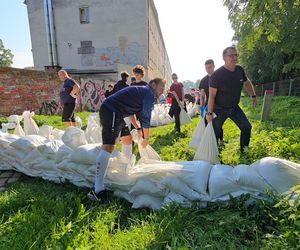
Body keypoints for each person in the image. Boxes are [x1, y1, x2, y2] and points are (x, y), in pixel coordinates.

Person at [88, 78, 166, 202]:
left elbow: (131, 112)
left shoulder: (142, 92)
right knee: (109, 146)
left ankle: (124, 171)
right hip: (111, 111)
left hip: (116, 112)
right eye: (161, 87)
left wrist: (138, 128)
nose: (162, 91)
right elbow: (146, 117)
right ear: (153, 84)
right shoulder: (148, 94)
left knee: (127, 138)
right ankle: (97, 190)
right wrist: (146, 138)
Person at [206, 46, 257, 152]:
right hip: (219, 109)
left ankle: (244, 150)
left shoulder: (239, 70)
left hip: (234, 108)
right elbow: (211, 96)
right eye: (231, 55)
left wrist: (253, 95)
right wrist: (209, 114)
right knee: (215, 132)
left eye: (236, 55)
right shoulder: (217, 75)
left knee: (246, 127)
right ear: (224, 57)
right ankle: (215, 154)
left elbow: (247, 83)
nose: (234, 57)